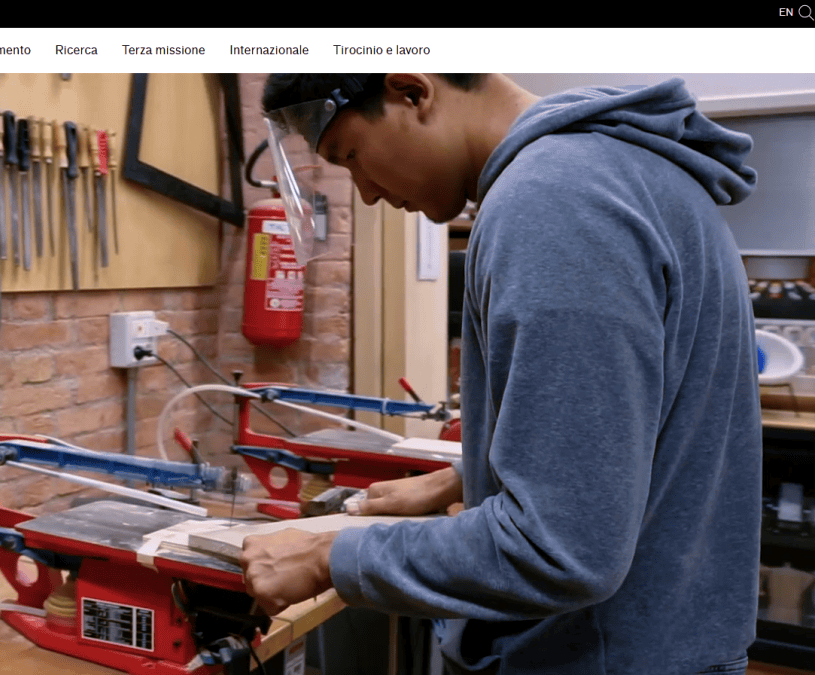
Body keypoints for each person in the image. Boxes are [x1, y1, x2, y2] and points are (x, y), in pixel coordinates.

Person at [241, 73, 763, 674]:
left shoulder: (553, 202)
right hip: (664, 641)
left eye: (351, 155)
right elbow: (634, 429)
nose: (365, 193)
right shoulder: (621, 168)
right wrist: (470, 477)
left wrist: (328, 557)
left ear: (412, 91)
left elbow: (559, 548)